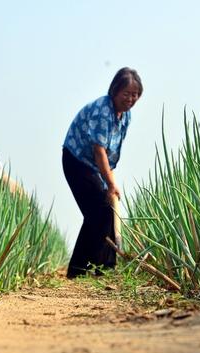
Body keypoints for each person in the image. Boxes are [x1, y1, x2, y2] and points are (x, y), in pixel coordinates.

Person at [62, 67, 143, 278]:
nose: (130, 99)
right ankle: (78, 271)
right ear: (114, 91)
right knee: (97, 211)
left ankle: (104, 268)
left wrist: (110, 184)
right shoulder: (102, 111)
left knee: (106, 210)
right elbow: (99, 151)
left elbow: (111, 153)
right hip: (76, 160)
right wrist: (110, 184)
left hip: (95, 165)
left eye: (135, 95)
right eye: (126, 94)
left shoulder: (125, 116)